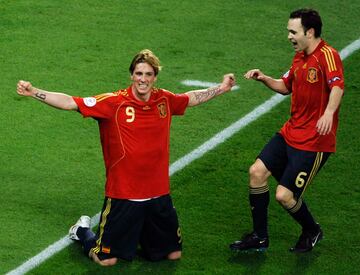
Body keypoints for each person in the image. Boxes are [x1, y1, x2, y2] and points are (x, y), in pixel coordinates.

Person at [17, 49, 235, 266]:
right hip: (124, 194)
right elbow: (71, 102)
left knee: (172, 255)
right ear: (132, 75)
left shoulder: (164, 100)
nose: (143, 79)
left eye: (148, 74)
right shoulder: (113, 102)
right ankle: (82, 231)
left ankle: (139, 233)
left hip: (158, 193)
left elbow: (190, 98)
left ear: (155, 77)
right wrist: (34, 91)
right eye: (139, 74)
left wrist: (222, 88)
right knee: (106, 259)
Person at [229, 8, 344, 253]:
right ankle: (260, 237)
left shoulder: (328, 55)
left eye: (293, 31)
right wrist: (264, 78)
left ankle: (312, 230)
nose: (289, 36)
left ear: (310, 32)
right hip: (290, 132)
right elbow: (285, 86)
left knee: (284, 195)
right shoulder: (299, 57)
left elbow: (337, 87)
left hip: (315, 141)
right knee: (256, 172)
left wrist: (328, 113)